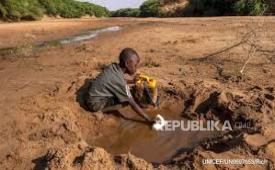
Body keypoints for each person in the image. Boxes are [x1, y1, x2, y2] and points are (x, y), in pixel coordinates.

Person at [86, 48, 152, 123]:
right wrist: (149, 119)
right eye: (135, 65)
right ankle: (100, 110)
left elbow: (116, 82)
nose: (136, 69)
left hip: (94, 95)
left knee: (123, 94)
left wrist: (132, 81)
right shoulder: (120, 82)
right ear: (127, 64)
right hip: (94, 104)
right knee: (126, 101)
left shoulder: (113, 67)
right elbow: (132, 103)